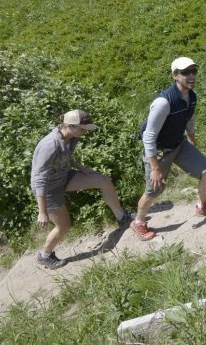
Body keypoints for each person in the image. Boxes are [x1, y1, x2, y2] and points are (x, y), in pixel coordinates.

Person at [131, 57, 206, 241]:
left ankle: (202, 206)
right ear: (174, 75)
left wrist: (191, 139)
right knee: (153, 191)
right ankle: (138, 222)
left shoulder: (191, 96)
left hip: (179, 144)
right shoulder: (164, 102)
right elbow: (148, 136)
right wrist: (155, 168)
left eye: (193, 71)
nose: (191, 76)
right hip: (159, 153)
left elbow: (189, 119)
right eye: (185, 72)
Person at [31, 109, 131, 270]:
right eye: (83, 128)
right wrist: (42, 211)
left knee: (103, 180)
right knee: (63, 226)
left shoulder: (70, 137)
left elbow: (66, 157)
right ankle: (45, 255)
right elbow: (39, 178)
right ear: (70, 126)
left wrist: (81, 168)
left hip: (63, 177)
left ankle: (122, 218)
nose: (85, 132)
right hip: (49, 189)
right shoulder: (50, 145)